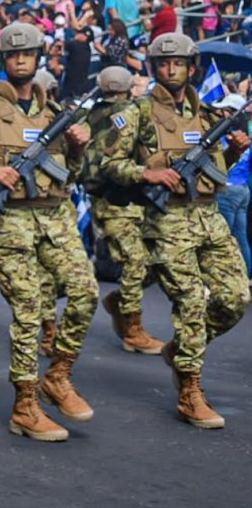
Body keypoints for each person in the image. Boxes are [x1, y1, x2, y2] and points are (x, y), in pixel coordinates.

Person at [0, 22, 98, 442]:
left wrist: (78, 150)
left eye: (27, 54)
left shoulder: (55, 114)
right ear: (3, 59)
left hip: (55, 218)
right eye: (12, 54)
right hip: (8, 223)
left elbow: (71, 176)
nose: (20, 60)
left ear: (38, 58)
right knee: (29, 311)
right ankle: (25, 403)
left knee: (86, 294)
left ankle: (59, 374)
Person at [100, 32, 250, 429]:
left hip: (209, 217)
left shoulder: (208, 115)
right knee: (192, 304)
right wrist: (146, 173)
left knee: (236, 298)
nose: (171, 69)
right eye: (164, 63)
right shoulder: (136, 114)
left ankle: (182, 349)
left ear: (191, 67)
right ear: (153, 67)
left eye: (179, 63)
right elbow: (106, 164)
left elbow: (216, 168)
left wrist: (233, 151)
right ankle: (190, 389)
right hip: (167, 222)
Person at [87, 66, 166, 354]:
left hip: (118, 200)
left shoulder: (90, 115)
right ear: (130, 88)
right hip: (118, 199)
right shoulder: (131, 116)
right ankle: (133, 329)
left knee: (153, 262)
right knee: (137, 261)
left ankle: (121, 301)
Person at [213, 94, 251, 278]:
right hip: (243, 190)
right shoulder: (246, 138)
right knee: (241, 235)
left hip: (227, 190)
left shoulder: (227, 138)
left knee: (222, 238)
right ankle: (247, 275)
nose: (220, 113)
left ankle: (226, 277)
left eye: (225, 110)